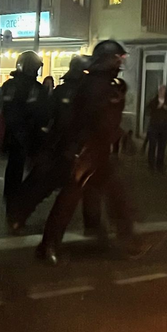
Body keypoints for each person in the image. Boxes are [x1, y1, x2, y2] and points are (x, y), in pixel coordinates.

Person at [37, 40, 149, 265]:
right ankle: (48, 246)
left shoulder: (102, 84)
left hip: (97, 152)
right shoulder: (95, 86)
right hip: (86, 152)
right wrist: (116, 136)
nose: (120, 64)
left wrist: (119, 136)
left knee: (116, 195)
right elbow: (95, 120)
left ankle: (127, 240)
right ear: (107, 60)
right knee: (69, 199)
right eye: (117, 59)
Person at [6, 55, 104, 236]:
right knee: (50, 185)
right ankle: (23, 220)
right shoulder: (78, 93)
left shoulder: (64, 91)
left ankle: (91, 224)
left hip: (66, 148)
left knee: (84, 185)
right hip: (66, 149)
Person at [1, 51, 50, 201]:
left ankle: (11, 198)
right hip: (29, 134)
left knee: (14, 167)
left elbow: (3, 108)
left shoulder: (8, 85)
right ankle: (19, 201)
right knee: (32, 169)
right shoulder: (36, 88)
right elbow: (42, 114)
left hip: (11, 133)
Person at [145, 85, 167, 172]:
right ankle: (151, 164)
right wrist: (156, 108)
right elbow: (147, 110)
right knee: (152, 146)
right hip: (154, 127)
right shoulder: (153, 101)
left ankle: (160, 165)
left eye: (163, 91)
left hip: (164, 127)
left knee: (162, 147)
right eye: (160, 91)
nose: (161, 92)